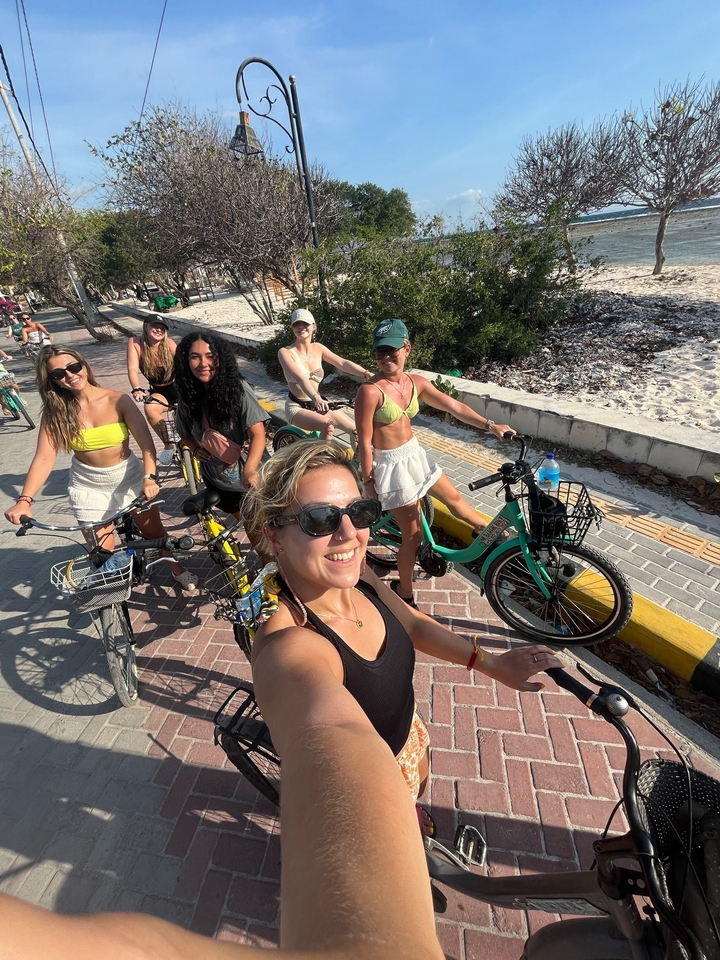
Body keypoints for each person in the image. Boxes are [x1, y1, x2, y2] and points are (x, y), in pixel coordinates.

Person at [243, 441, 560, 830]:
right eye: (320, 519)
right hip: (369, 791)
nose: (349, 534)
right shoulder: (289, 642)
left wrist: (493, 665)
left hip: (408, 735)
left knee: (419, 792)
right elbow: (321, 729)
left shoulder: (359, 578)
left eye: (359, 513)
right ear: (274, 537)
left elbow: (411, 624)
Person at [4, 345, 198, 592]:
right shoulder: (56, 413)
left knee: (155, 533)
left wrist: (149, 478)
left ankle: (177, 569)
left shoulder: (118, 400)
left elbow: (147, 446)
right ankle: (112, 599)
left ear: (84, 365)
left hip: (130, 478)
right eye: (59, 374)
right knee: (102, 551)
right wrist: (25, 500)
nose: (70, 375)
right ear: (52, 381)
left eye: (74, 367)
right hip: (88, 485)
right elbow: (43, 458)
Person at [355, 318, 515, 607]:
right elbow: (364, 442)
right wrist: (369, 482)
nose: (386, 358)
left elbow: (454, 407)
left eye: (392, 350)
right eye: (379, 352)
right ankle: (404, 592)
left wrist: (490, 425)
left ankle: (500, 535)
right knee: (413, 537)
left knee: (455, 500)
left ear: (407, 349)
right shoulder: (369, 392)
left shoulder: (416, 383)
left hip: (415, 455)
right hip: (390, 466)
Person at [174, 331, 269, 518]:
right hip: (216, 481)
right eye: (195, 357)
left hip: (249, 479)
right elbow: (183, 431)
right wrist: (194, 448)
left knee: (263, 530)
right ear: (185, 361)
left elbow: (258, 434)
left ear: (220, 358)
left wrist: (249, 470)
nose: (203, 364)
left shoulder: (238, 390)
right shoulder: (187, 397)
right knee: (247, 525)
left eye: (210, 356)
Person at [277, 308, 373, 439]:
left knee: (357, 431)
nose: (301, 327)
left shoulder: (318, 348)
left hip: (318, 404)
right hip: (298, 406)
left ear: (314, 326)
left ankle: (357, 460)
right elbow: (300, 378)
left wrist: (366, 373)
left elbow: (342, 363)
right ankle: (322, 460)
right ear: (292, 328)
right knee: (328, 426)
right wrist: (317, 398)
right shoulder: (285, 352)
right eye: (296, 324)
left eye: (305, 323)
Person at [127, 315, 179, 466]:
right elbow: (132, 368)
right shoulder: (135, 343)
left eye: (162, 328)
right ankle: (169, 445)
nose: (158, 330)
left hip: (178, 387)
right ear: (145, 327)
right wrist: (137, 388)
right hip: (159, 390)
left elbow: (185, 364)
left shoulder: (169, 344)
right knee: (149, 408)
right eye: (154, 326)